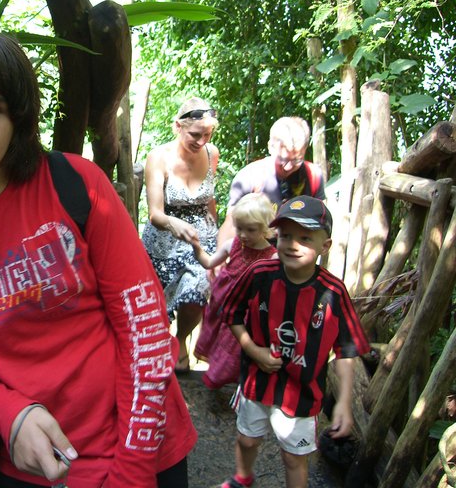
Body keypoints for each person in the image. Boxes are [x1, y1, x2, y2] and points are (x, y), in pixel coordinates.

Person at [0, 29, 196, 488]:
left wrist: (133, 471)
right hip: (31, 463)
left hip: (141, 448)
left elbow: (143, 331)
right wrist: (10, 415)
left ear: (18, 122)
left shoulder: (75, 184)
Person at [215, 196, 370, 488]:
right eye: (285, 235)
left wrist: (345, 403)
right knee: (247, 439)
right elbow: (232, 313)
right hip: (255, 382)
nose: (291, 244)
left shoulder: (333, 293)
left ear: (325, 246)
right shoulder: (260, 274)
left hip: (302, 392)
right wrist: (252, 349)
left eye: (305, 237)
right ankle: (242, 478)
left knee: (294, 458)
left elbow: (346, 351)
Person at [141, 98, 220, 374]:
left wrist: (217, 236)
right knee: (157, 300)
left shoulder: (212, 154)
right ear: (178, 126)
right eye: (195, 135)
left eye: (207, 135)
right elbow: (155, 213)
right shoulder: (158, 157)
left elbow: (209, 198)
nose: (201, 141)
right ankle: (160, 344)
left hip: (201, 236)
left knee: (197, 289)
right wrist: (174, 224)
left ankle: (182, 338)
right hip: (165, 234)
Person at [190, 193, 277, 390]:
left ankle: (231, 379)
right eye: (239, 228)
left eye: (250, 230)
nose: (243, 234)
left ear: (265, 228)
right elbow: (210, 262)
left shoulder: (272, 258)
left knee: (235, 347)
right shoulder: (233, 245)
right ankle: (221, 377)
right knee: (219, 341)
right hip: (222, 305)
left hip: (244, 312)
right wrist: (197, 248)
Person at [216, 116, 325, 249]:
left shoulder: (313, 176)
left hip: (296, 256)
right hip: (257, 257)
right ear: (270, 147)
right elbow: (232, 223)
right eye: (282, 159)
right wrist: (221, 260)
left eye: (296, 160)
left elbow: (321, 222)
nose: (288, 167)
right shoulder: (250, 177)